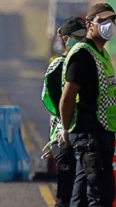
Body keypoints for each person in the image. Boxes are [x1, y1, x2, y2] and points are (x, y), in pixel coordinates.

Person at [59, 2, 116, 207]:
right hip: (89, 134)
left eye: (112, 21)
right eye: (103, 20)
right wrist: (65, 129)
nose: (109, 25)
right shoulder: (83, 55)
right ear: (89, 25)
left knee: (90, 193)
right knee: (97, 194)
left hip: (102, 133)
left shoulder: (101, 54)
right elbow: (68, 98)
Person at [41, 16, 87, 207]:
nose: (81, 41)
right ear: (65, 38)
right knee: (65, 195)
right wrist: (63, 126)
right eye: (77, 36)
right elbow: (54, 100)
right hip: (63, 135)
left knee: (79, 193)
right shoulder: (60, 64)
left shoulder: (85, 61)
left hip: (79, 134)